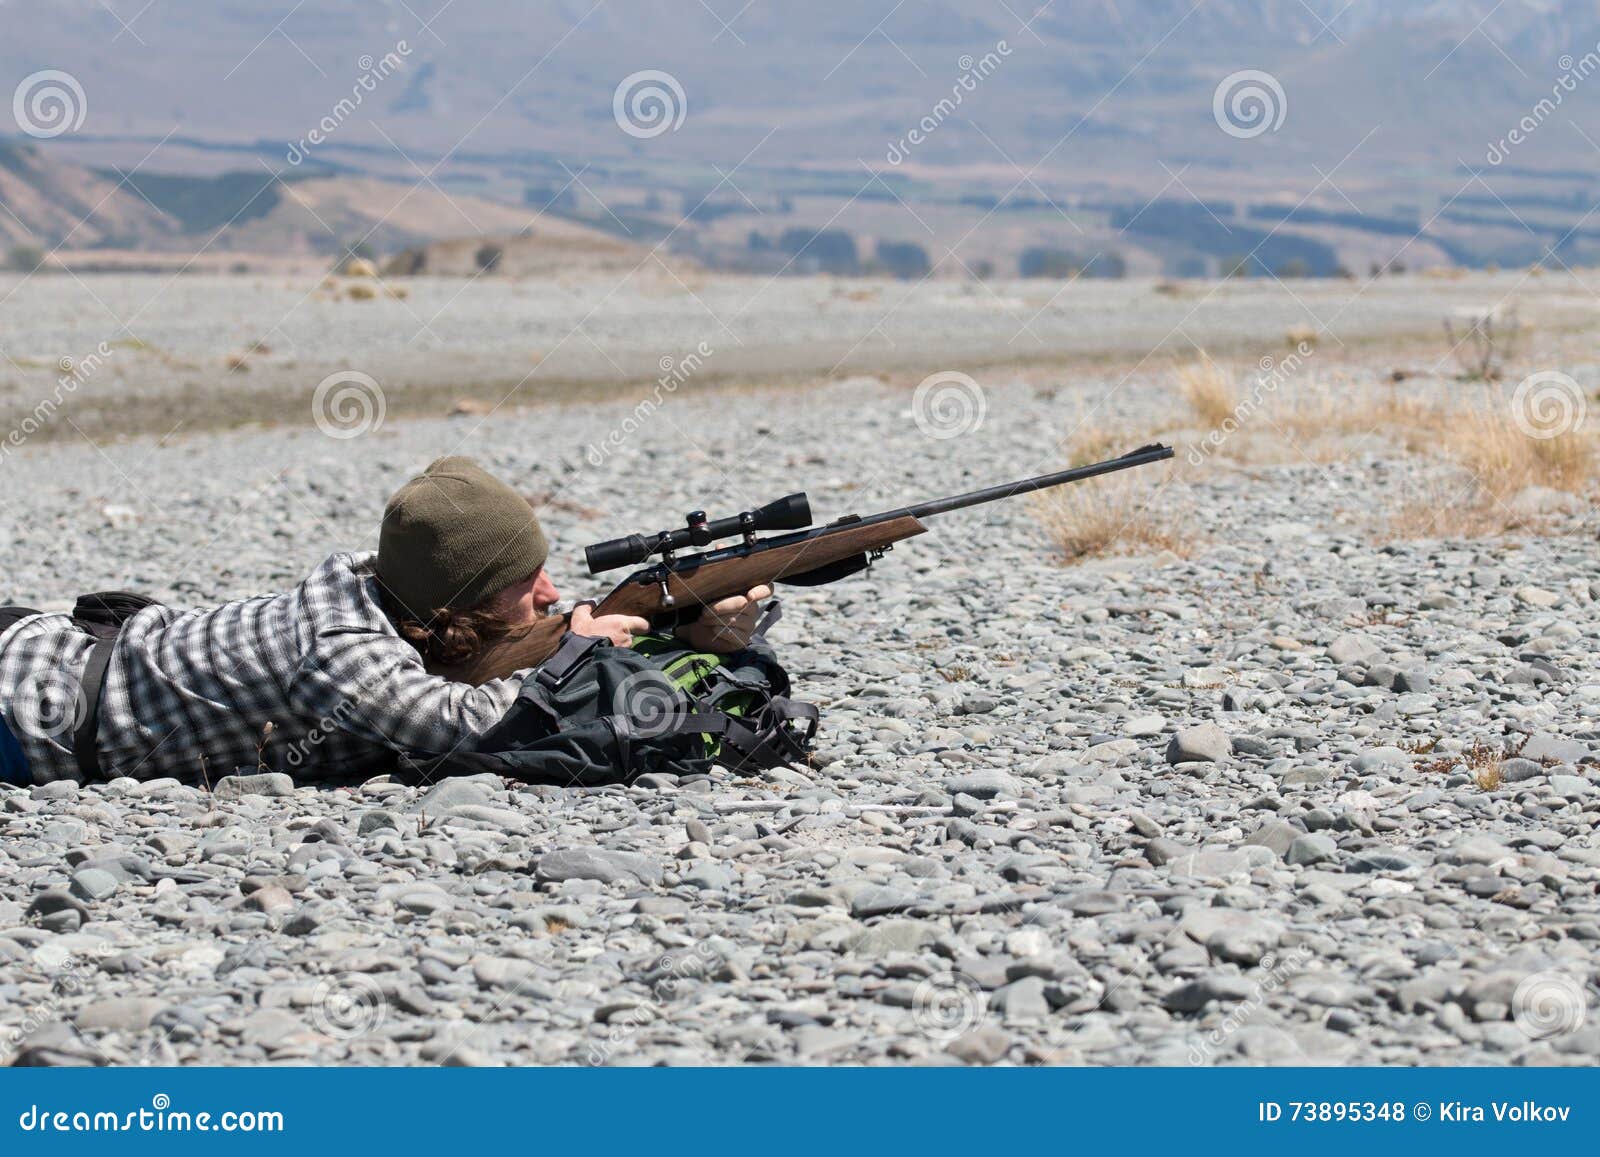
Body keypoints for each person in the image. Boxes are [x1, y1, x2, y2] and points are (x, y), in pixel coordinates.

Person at [0, 456, 770, 787]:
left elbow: (494, 661)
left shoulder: (389, 591)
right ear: (456, 603)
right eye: (522, 581)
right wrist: (578, 646)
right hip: (24, 714)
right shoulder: (341, 648)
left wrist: (693, 631)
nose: (551, 591)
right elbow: (474, 724)